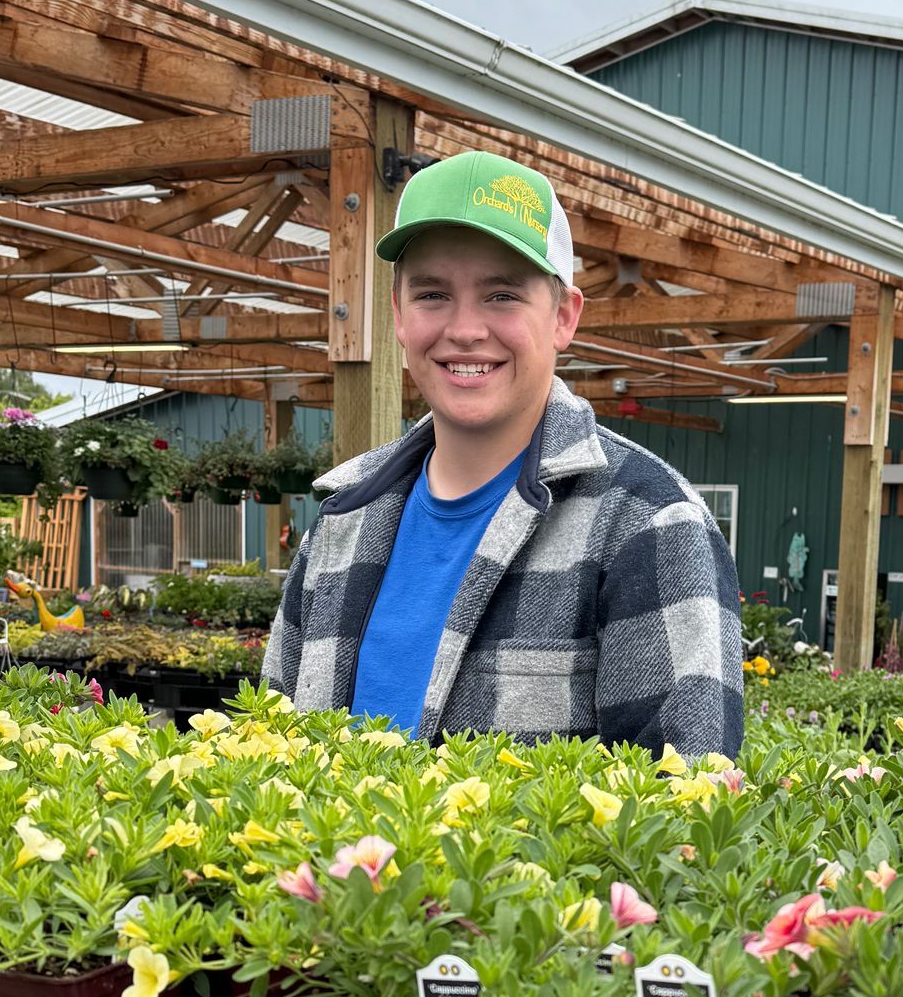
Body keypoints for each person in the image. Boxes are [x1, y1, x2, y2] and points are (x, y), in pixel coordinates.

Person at [262, 147, 743, 757]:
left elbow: (685, 811)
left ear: (564, 317)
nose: (464, 328)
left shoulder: (649, 524)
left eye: (502, 296)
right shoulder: (343, 518)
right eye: (432, 294)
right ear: (399, 317)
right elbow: (272, 761)